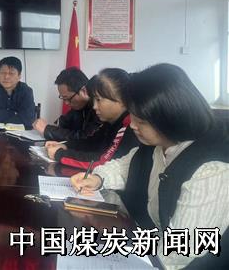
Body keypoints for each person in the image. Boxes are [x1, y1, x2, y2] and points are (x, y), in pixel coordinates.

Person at [71, 63, 229, 269]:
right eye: (132, 116)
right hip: (149, 246)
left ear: (170, 117)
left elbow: (177, 254)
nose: (132, 125)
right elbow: (124, 167)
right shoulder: (158, 144)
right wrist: (97, 178)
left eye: (141, 121)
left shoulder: (211, 171)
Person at [45, 68, 139, 169]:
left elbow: (104, 162)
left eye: (98, 100)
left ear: (122, 100)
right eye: (94, 100)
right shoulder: (110, 121)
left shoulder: (130, 124)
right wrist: (66, 145)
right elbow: (92, 142)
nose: (94, 106)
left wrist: (60, 154)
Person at [33, 67, 101, 140]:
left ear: (84, 91)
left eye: (68, 98)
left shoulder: (100, 109)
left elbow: (86, 138)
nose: (66, 103)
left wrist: (48, 130)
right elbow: (63, 124)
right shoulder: (78, 107)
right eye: (63, 98)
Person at [0, 56, 36, 129]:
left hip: (20, 134)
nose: (6, 76)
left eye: (11, 73)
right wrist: (13, 113)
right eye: (3, 73)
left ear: (19, 76)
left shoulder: (26, 91)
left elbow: (28, 120)